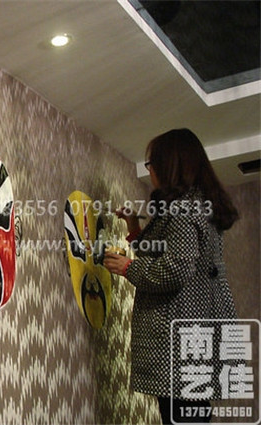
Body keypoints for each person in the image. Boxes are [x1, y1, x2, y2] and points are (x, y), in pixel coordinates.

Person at [103, 128, 239, 424]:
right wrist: (134, 230)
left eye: (151, 164)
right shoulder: (199, 205)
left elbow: (174, 270)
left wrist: (127, 267)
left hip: (181, 334)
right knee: (191, 409)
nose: (150, 171)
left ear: (169, 165)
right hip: (197, 327)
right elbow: (174, 254)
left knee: (181, 413)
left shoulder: (183, 210)